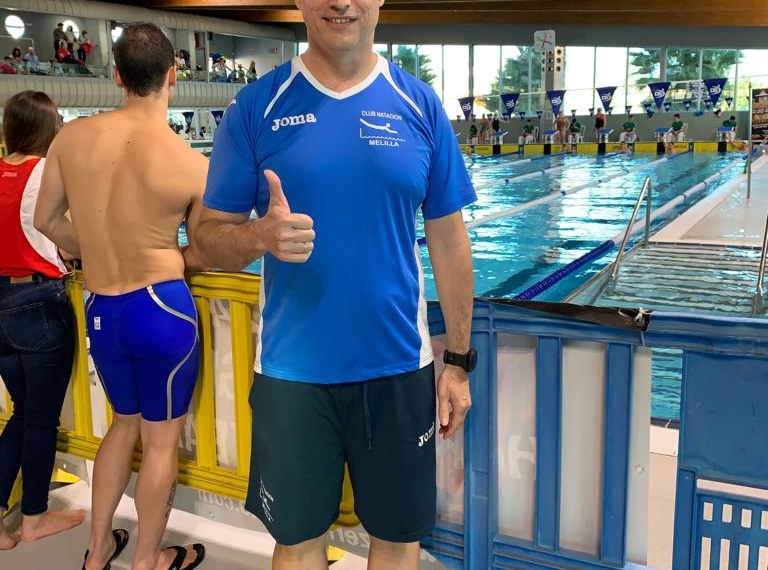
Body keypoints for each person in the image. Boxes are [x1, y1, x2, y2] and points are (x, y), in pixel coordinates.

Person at [193, 0, 476, 567]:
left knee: (397, 541)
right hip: (293, 375)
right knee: (297, 543)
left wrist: (459, 362)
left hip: (399, 367)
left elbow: (448, 239)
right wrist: (258, 239)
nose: (340, 2)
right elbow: (204, 240)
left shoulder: (417, 104)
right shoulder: (255, 107)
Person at [34, 22, 207, 570]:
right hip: (162, 310)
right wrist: (164, 257)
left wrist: (96, 251)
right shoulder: (190, 161)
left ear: (115, 76)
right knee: (159, 444)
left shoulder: (71, 139)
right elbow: (204, 252)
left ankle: (96, 548)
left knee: (120, 425)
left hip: (103, 309)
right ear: (173, 76)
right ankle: (149, 558)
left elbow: (46, 221)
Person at [0, 90, 86, 551]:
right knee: (39, 419)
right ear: (50, 129)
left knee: (22, 413)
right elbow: (73, 242)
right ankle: (33, 517)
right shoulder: (46, 175)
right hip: (38, 303)